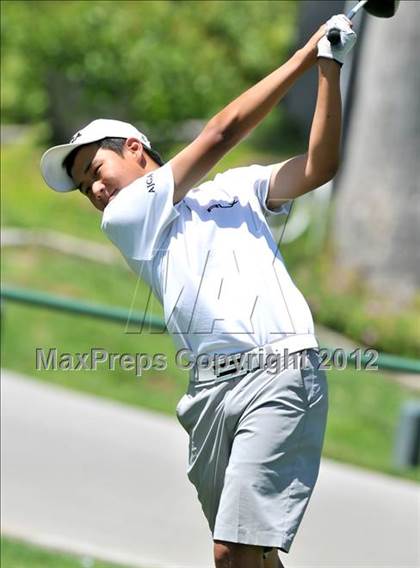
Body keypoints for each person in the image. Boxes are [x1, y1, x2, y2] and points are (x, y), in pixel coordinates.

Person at [40, 14, 356, 568]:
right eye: (84, 184)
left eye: (96, 167)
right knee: (250, 559)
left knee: (232, 552)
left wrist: (328, 64)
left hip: (279, 369)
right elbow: (222, 132)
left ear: (135, 148)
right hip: (209, 396)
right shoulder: (128, 216)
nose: (93, 187)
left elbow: (318, 166)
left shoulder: (238, 189)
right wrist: (308, 54)